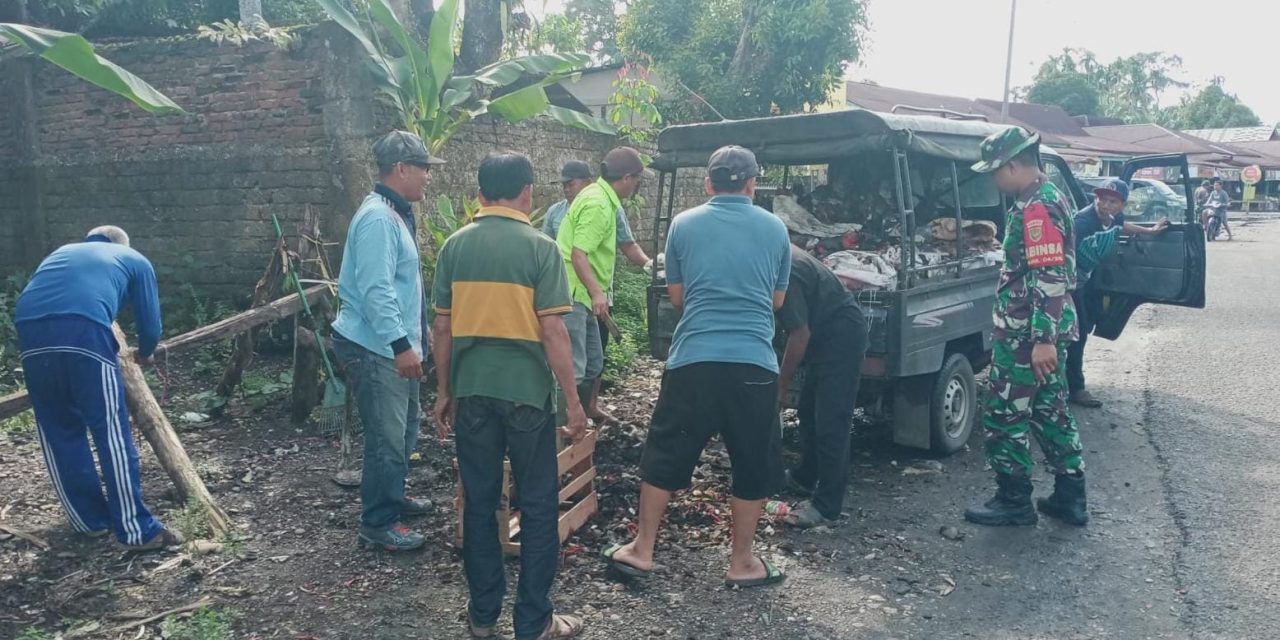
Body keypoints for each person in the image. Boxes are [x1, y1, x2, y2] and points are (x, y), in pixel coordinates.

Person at [603, 145, 792, 588]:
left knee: (666, 450)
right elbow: (778, 302)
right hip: (754, 365)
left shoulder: (683, 225)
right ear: (751, 184)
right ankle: (742, 561)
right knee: (752, 459)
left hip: (693, 360)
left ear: (708, 183)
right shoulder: (776, 229)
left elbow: (677, 298)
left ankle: (642, 549)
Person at [432, 152, 588, 640]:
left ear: (480, 193)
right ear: (527, 192)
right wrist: (574, 401)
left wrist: (444, 390)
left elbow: (443, 326)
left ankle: (482, 618)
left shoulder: (454, 248)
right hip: (526, 397)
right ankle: (534, 622)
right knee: (539, 506)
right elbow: (554, 332)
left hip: (473, 392)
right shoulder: (541, 249)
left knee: (479, 504)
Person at [15, 225, 182, 549]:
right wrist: (146, 352)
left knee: (59, 430)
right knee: (111, 432)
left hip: (30, 333)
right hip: (84, 332)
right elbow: (150, 323)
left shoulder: (59, 253)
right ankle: (136, 530)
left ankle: (89, 520)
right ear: (121, 242)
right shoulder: (133, 258)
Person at [964, 128, 1088, 527]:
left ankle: (1014, 500)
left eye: (995, 171)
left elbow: (1048, 274)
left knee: (1003, 412)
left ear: (1013, 165)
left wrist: (1042, 340)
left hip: (1027, 336)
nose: (993, 179)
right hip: (1037, 331)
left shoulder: (1037, 207)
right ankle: (1071, 496)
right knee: (1050, 411)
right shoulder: (1047, 197)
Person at [332, 130, 440, 552]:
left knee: (405, 428)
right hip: (375, 346)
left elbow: (400, 285)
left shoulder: (393, 212)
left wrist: (418, 332)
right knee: (387, 437)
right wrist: (400, 344)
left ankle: (392, 496)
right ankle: (377, 523)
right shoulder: (379, 218)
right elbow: (376, 289)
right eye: (424, 169)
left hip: (392, 341)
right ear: (401, 169)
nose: (427, 178)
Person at [544, 160, 653, 424]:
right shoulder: (596, 204)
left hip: (586, 294)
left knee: (593, 362)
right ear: (627, 177)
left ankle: (581, 414)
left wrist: (649, 265)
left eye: (570, 183)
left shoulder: (604, 201)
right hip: (573, 295)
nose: (567, 189)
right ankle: (560, 431)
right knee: (573, 366)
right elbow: (577, 254)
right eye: (637, 180)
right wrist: (597, 293)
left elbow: (627, 244)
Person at [776, 245, 868, 528]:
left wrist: (780, 385)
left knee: (831, 419)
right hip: (822, 331)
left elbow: (799, 333)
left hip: (841, 333)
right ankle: (805, 477)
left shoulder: (783, 269)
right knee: (808, 410)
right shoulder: (773, 249)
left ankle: (827, 505)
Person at [1066, 179, 1169, 408]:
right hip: (1070, 284)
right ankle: (1075, 388)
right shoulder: (1082, 222)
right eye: (1102, 199)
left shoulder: (1114, 218)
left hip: (1087, 280)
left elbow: (1120, 226)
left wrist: (1149, 232)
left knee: (1082, 329)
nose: (1105, 204)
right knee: (1077, 333)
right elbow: (1065, 252)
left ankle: (1068, 383)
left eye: (1112, 201)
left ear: (1122, 205)